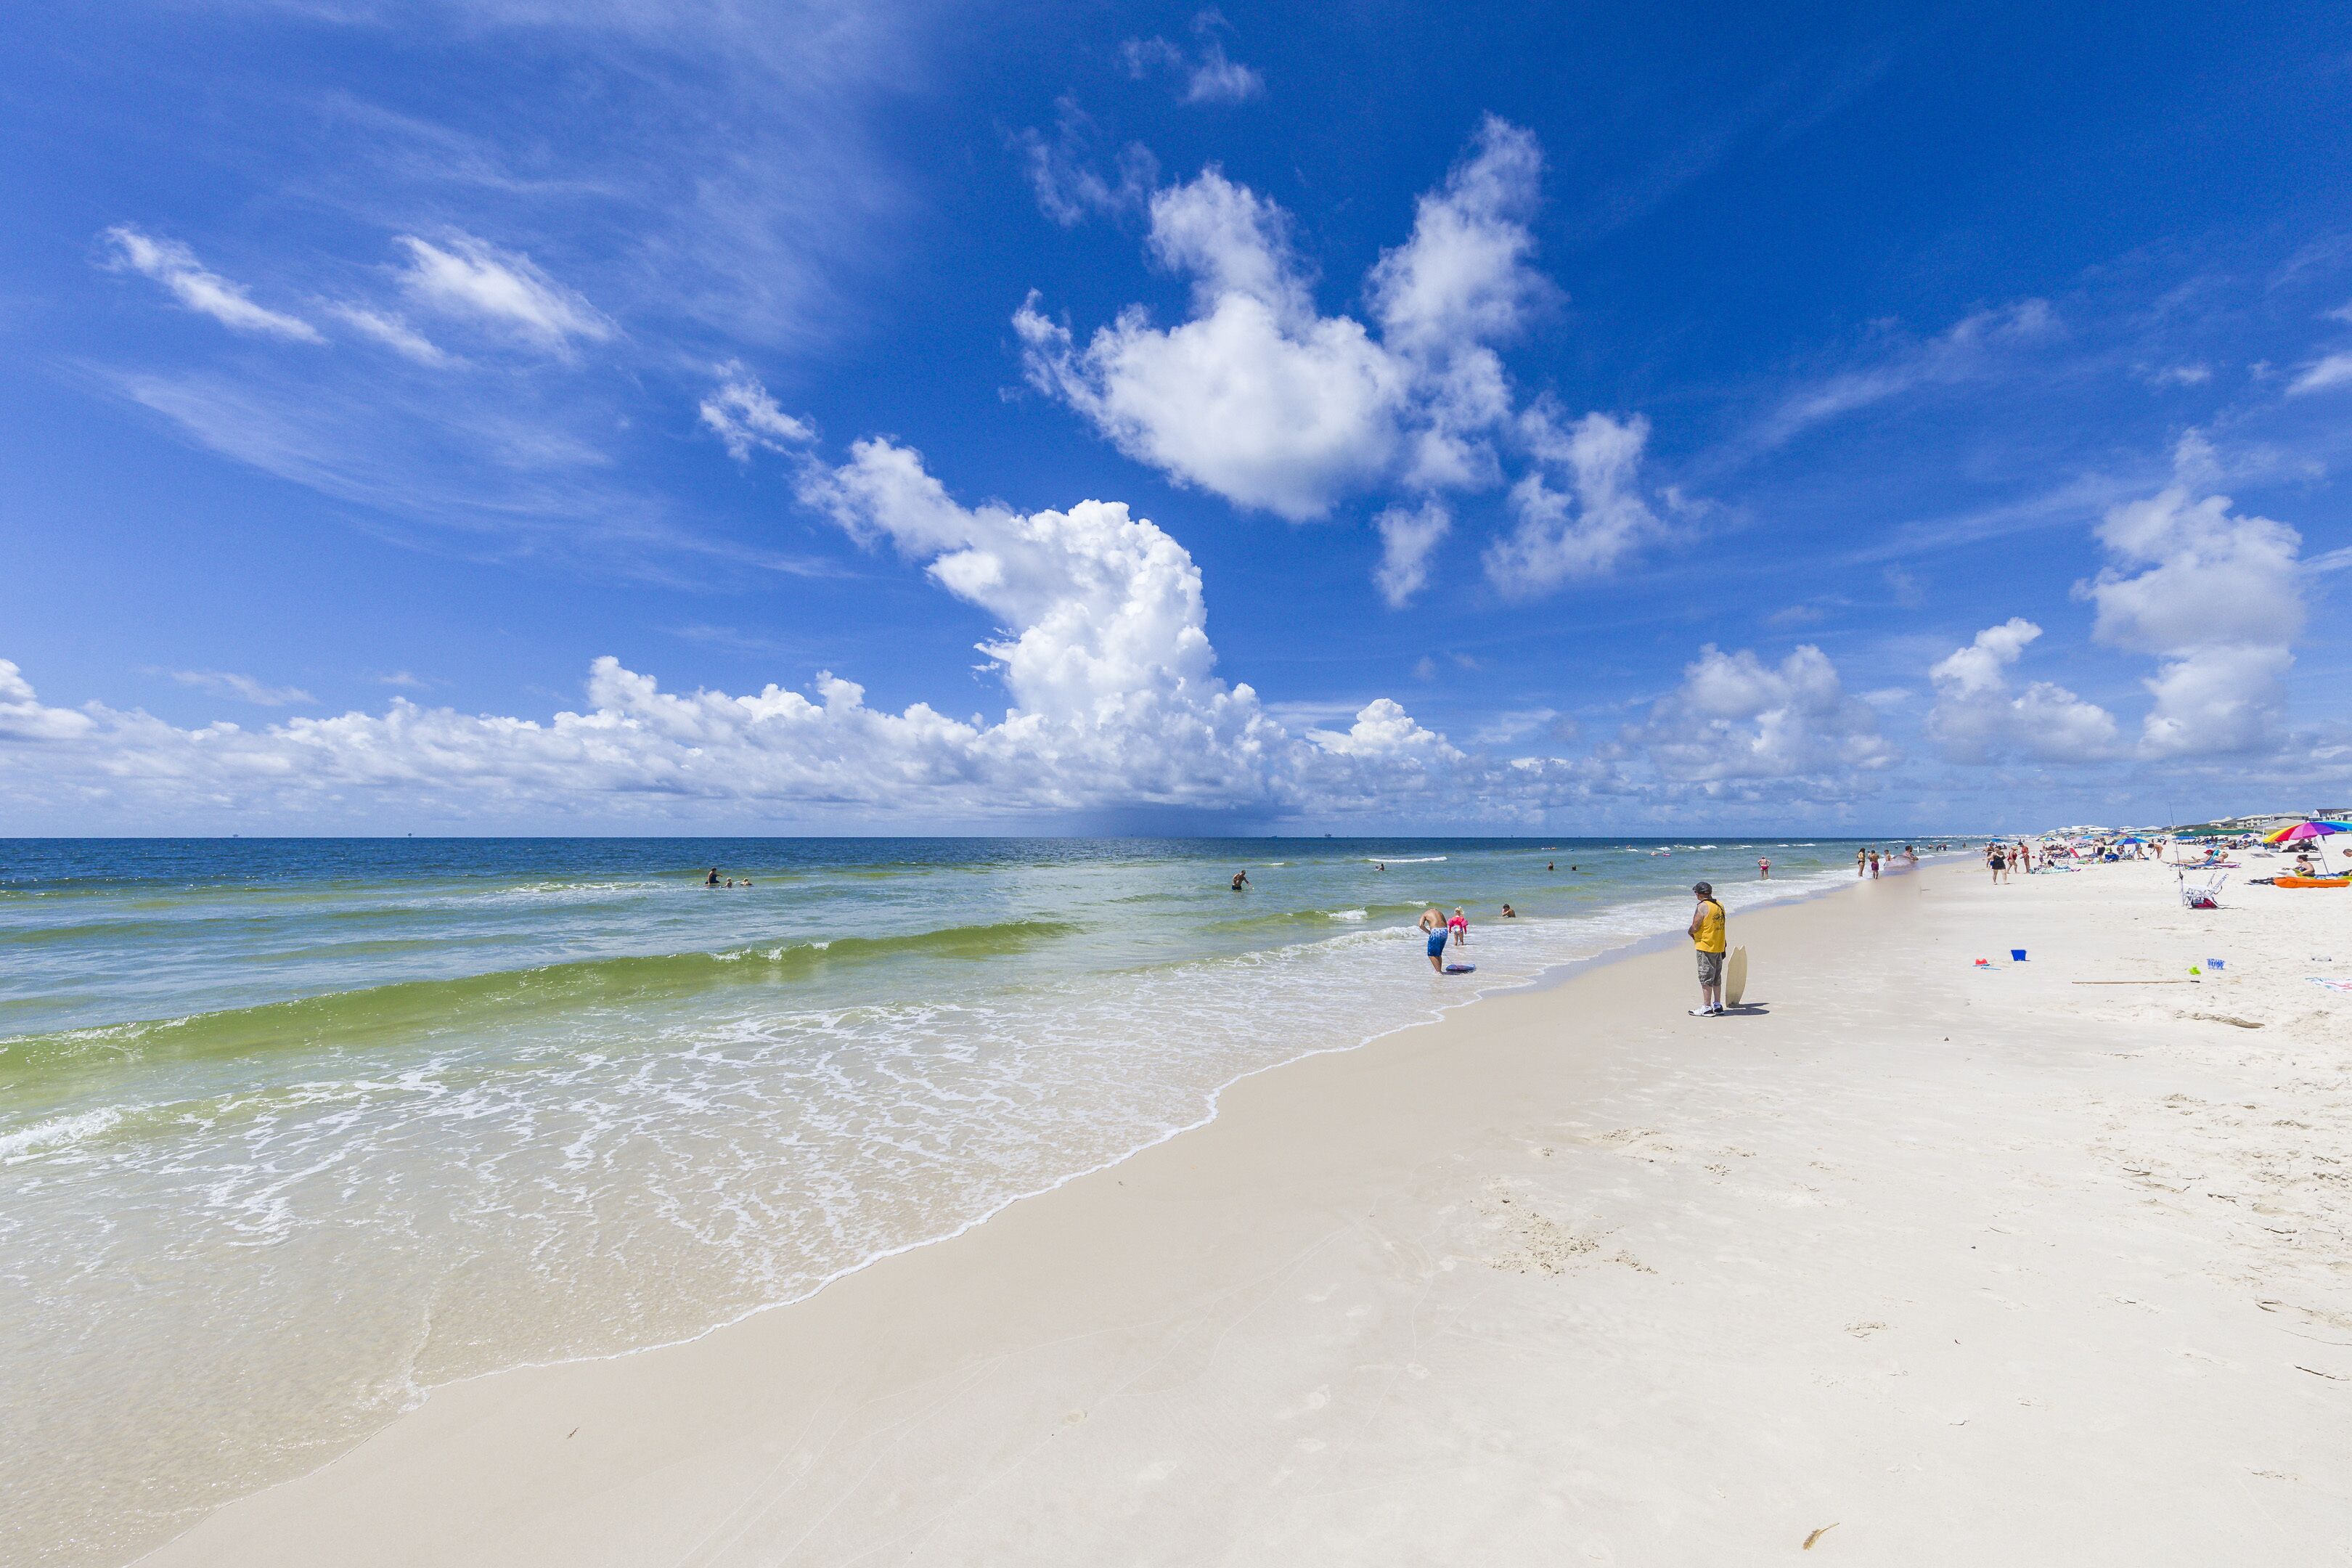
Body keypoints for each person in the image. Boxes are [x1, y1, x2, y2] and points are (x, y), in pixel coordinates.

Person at [1688, 882, 1727, 1016]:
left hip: (1706, 946)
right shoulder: (1719, 905)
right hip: (1719, 945)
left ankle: (1706, 1007)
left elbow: (1695, 926)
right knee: (1716, 977)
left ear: (1699, 894)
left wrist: (1690, 932)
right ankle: (1717, 1005)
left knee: (1705, 977)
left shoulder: (1702, 907)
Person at [1419, 907, 1450, 973]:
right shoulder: (1440, 913)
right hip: (1444, 931)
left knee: (1431, 954)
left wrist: (1429, 932)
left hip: (1436, 931)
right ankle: (1439, 970)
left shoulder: (1426, 913)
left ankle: (1439, 972)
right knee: (1438, 953)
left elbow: (1421, 925)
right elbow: (1446, 924)